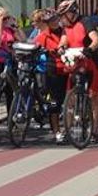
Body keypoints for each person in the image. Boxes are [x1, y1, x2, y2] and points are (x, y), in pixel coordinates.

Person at [55, 0, 98, 143]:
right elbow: (64, 40)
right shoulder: (66, 26)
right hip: (76, 64)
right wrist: (60, 48)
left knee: (93, 97)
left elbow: (96, 39)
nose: (61, 19)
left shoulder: (85, 21)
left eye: (63, 15)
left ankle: (95, 131)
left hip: (92, 63)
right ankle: (68, 128)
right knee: (70, 97)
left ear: (71, 13)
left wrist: (89, 49)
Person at [32, 9, 67, 141]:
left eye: (54, 20)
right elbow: (34, 46)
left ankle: (72, 124)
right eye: (49, 21)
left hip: (68, 68)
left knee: (69, 99)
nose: (52, 23)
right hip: (53, 70)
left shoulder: (65, 32)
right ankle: (56, 130)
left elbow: (70, 42)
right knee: (54, 102)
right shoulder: (44, 35)